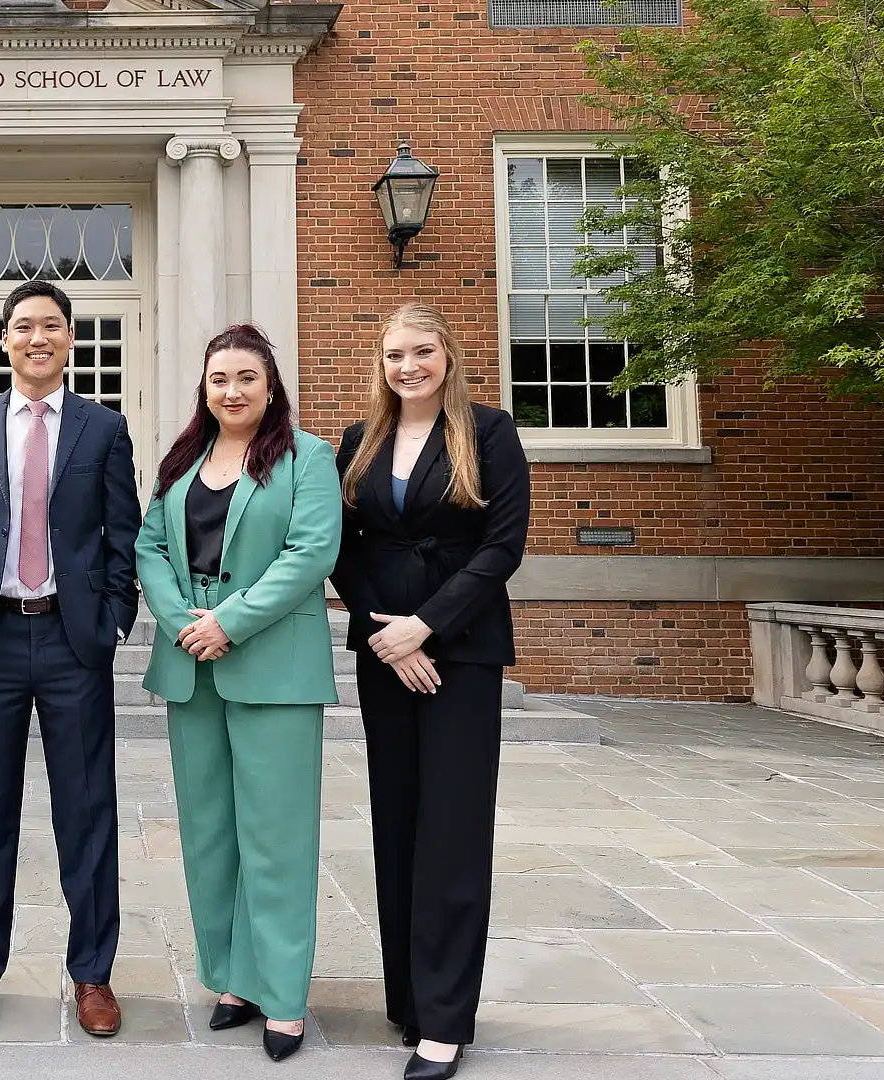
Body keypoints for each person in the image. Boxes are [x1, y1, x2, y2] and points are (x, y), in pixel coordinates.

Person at [0, 279, 140, 1038]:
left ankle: (93, 973)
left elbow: (125, 533)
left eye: (51, 325)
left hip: (70, 640)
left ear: (70, 339)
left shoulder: (103, 428)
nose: (36, 337)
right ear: (5, 340)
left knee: (87, 812)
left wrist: (114, 618)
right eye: (23, 326)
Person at [329, 304, 531, 1080]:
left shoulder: (489, 433)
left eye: (420, 351)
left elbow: (502, 547)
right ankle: (409, 999)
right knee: (400, 826)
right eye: (393, 355)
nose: (406, 366)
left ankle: (445, 1022)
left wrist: (427, 627)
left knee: (452, 832)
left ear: (447, 353)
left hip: (462, 654)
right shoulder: (361, 441)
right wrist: (386, 634)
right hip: (385, 653)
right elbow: (341, 547)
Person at [134, 324, 340, 1062]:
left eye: (246, 378)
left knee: (277, 840)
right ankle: (232, 978)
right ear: (205, 386)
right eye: (220, 378)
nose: (232, 391)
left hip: (272, 668)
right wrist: (180, 620)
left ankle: (283, 995)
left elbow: (311, 551)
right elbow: (149, 545)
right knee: (210, 834)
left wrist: (230, 621)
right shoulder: (183, 459)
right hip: (194, 666)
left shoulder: (308, 458)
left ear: (270, 385)